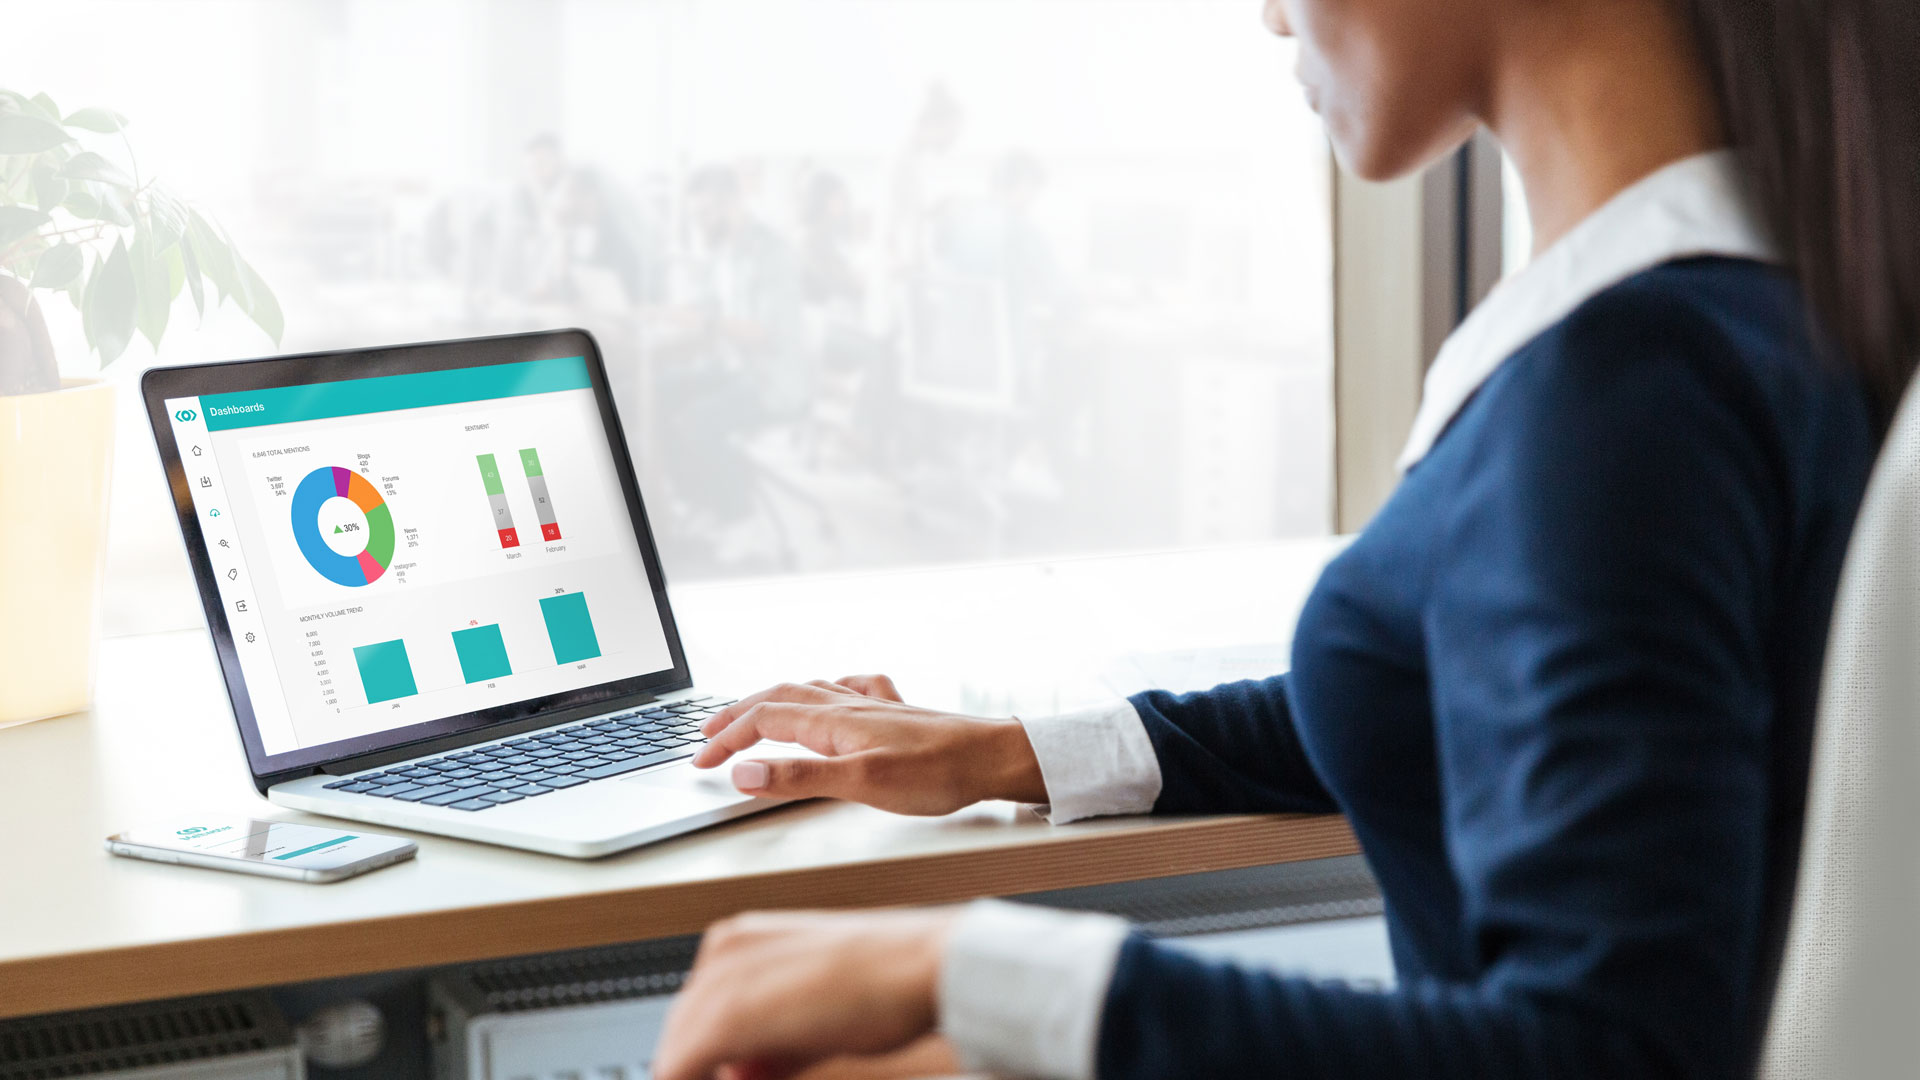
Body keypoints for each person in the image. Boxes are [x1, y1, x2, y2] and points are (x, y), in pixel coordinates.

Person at [653, 0, 1920, 1076]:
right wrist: (1009, 753)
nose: (1266, 10)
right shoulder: (1775, 309)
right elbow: (1473, 697)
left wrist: (984, 977)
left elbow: (1602, 1050)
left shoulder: (1619, 396)